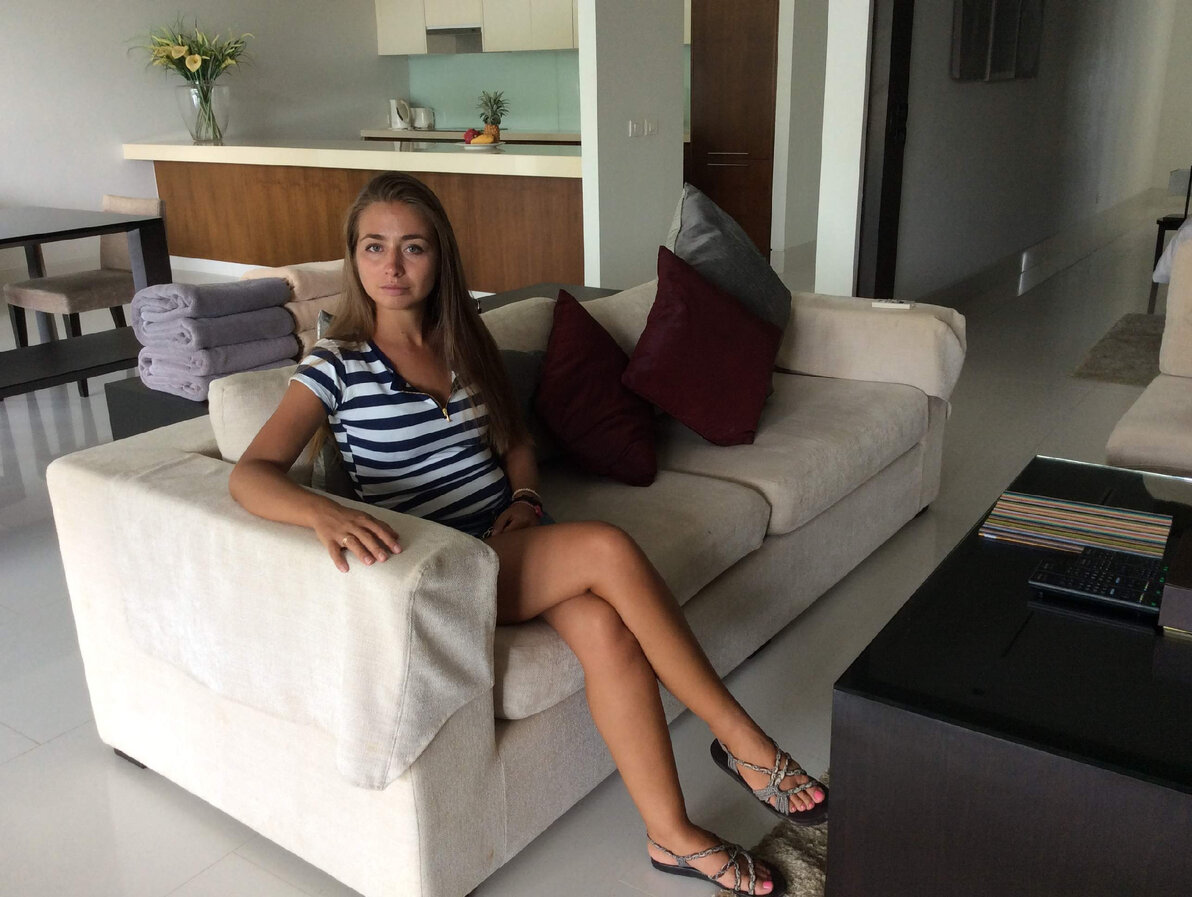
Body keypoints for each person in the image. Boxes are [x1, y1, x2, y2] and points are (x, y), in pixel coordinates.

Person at [229, 172, 826, 896]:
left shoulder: (462, 342)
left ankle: (670, 833)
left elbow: (513, 438)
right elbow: (251, 474)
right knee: (607, 547)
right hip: (449, 564)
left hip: (514, 537)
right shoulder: (335, 364)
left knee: (605, 630)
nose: (393, 266)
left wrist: (526, 492)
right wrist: (324, 512)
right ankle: (744, 741)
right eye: (374, 246)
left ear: (440, 257)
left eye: (413, 247)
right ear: (353, 258)